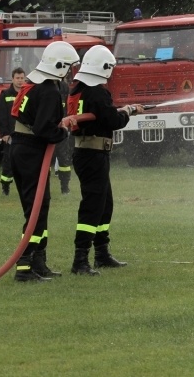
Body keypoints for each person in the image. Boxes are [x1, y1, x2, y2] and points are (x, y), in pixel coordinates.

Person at [66, 45, 142, 275]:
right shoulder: (97, 92)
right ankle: (80, 260)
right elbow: (112, 121)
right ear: (105, 67)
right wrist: (128, 111)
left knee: (104, 204)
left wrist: (122, 110)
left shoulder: (78, 88)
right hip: (93, 154)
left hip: (87, 153)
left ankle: (102, 253)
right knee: (93, 205)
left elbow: (100, 115)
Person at [10, 41, 80, 282]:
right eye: (68, 66)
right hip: (31, 150)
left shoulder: (35, 84)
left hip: (21, 148)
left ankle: (38, 262)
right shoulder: (49, 90)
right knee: (36, 209)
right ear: (59, 65)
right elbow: (43, 129)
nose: (69, 71)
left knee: (39, 207)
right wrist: (63, 132)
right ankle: (24, 266)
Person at [0, 67, 26, 195]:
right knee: (8, 161)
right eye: (17, 78)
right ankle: (5, 187)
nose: (20, 81)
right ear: (12, 79)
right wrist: (4, 133)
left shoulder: (28, 93)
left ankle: (24, 187)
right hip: (10, 134)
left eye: (22, 78)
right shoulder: (5, 95)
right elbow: (1, 115)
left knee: (24, 161)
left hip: (25, 133)